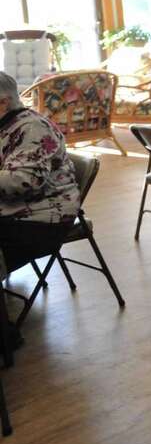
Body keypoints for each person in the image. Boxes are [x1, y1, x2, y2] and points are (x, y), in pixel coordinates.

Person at [0, 71, 79, 344]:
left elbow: (23, 181)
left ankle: (5, 335)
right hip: (16, 212)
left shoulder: (31, 128)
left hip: (42, 220)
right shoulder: (5, 125)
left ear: (2, 103)